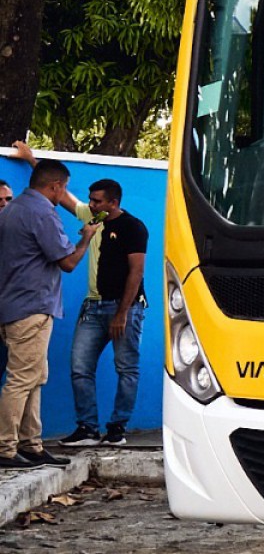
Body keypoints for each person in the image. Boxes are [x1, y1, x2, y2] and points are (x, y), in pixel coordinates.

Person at [0, 158, 100, 469]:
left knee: (34, 377)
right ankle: (5, 448)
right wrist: (86, 238)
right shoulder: (41, 212)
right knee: (21, 380)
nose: (63, 194)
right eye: (64, 188)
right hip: (32, 307)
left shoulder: (13, 209)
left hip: (13, 306)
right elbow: (67, 262)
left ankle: (32, 444)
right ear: (55, 186)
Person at [60, 179, 147, 448]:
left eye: (97, 201)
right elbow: (59, 192)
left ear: (113, 202)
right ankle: (87, 428)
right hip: (93, 308)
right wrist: (31, 160)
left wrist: (122, 312)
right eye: (91, 200)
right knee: (80, 367)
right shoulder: (92, 218)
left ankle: (117, 428)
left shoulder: (133, 227)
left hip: (125, 308)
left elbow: (136, 272)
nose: (92, 205)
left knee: (126, 368)